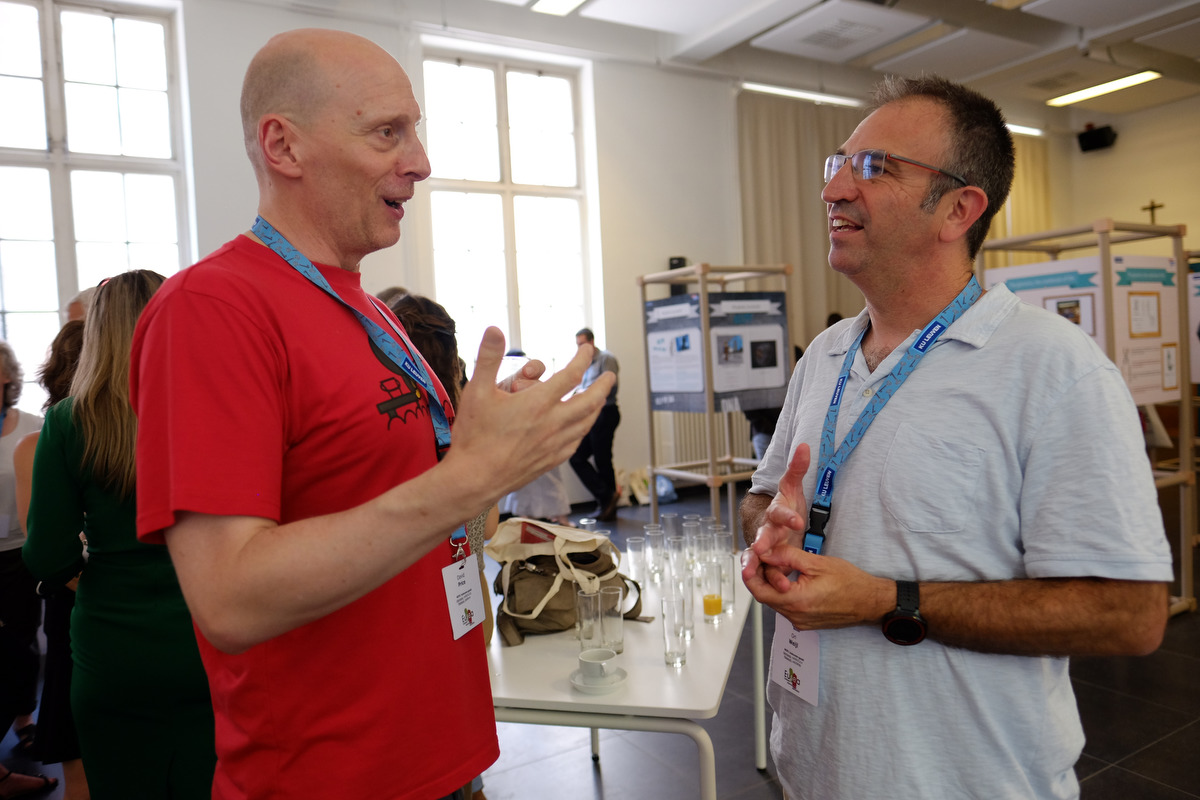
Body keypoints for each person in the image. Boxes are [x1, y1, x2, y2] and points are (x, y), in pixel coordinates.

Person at [128, 28, 613, 800]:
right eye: (388, 132)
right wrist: (467, 478)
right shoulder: (212, 308)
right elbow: (230, 597)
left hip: (446, 762)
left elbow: (450, 527)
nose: (420, 161)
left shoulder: (373, 314)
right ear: (284, 146)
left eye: (415, 130)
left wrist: (486, 458)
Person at [739, 74, 1172, 799]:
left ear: (958, 209)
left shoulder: (1053, 369)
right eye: (838, 163)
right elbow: (759, 499)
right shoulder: (826, 356)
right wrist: (767, 533)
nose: (833, 189)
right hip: (813, 772)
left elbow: (1130, 615)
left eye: (873, 167)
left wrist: (888, 600)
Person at [24, 271, 216, 800]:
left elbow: (47, 557)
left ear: (98, 333)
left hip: (111, 642)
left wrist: (92, 568)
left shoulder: (67, 422)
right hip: (208, 627)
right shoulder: (218, 408)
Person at [14, 320, 87, 800]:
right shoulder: (37, 445)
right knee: (79, 758)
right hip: (77, 606)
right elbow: (41, 546)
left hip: (94, 600)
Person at [0, 341, 55, 800]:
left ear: (7, 379)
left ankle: (24, 719)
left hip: (19, 551)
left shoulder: (34, 428)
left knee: (22, 641)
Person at [568, 327, 620, 520]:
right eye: (577, 345)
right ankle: (607, 497)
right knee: (577, 457)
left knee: (602, 459)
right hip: (592, 414)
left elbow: (610, 385)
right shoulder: (586, 364)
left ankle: (608, 504)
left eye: (582, 344)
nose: (580, 348)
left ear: (591, 342)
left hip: (605, 412)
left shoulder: (606, 358)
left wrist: (584, 392)